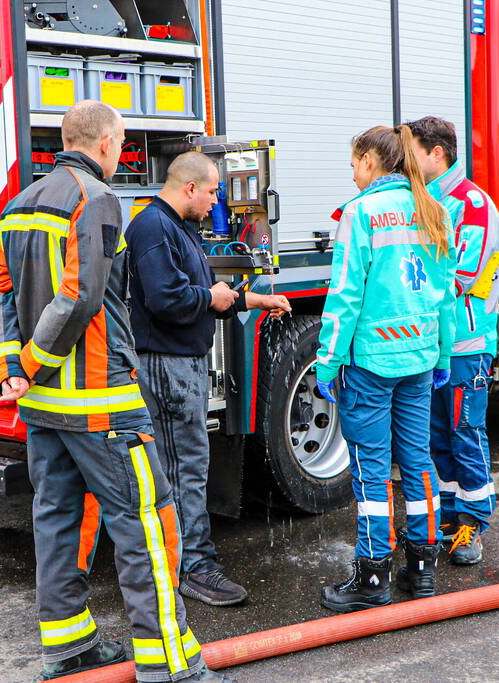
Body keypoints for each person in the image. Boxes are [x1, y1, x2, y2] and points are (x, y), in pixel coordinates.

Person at [0, 100, 231, 682]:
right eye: (121, 144)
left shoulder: (20, 204)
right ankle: (170, 666)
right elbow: (82, 293)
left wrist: (8, 364)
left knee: (59, 522)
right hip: (102, 404)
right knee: (149, 524)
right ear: (108, 144)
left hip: (44, 410)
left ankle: (69, 649)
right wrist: (37, 360)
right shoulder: (99, 199)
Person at [125, 151, 290, 606]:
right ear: (189, 188)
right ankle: (192, 567)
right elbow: (167, 299)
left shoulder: (173, 226)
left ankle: (181, 559)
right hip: (168, 365)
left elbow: (205, 294)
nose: (218, 200)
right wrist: (211, 297)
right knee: (185, 467)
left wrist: (252, 301)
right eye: (214, 190)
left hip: (178, 362)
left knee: (184, 465)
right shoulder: (154, 227)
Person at [315, 124, 457, 612]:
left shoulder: (361, 213)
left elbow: (345, 297)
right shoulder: (434, 209)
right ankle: (421, 569)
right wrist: (442, 356)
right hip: (419, 358)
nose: (352, 173)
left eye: (354, 163)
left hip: (371, 362)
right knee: (418, 464)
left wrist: (326, 362)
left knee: (371, 471)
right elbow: (446, 298)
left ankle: (372, 575)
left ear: (372, 160)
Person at [406, 116, 499, 566]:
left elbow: (459, 277)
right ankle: (449, 514)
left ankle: (473, 522)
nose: (404, 161)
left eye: (411, 152)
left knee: (465, 431)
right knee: (436, 435)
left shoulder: (472, 205)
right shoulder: (423, 201)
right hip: (431, 345)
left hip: (465, 344)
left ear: (436, 154)